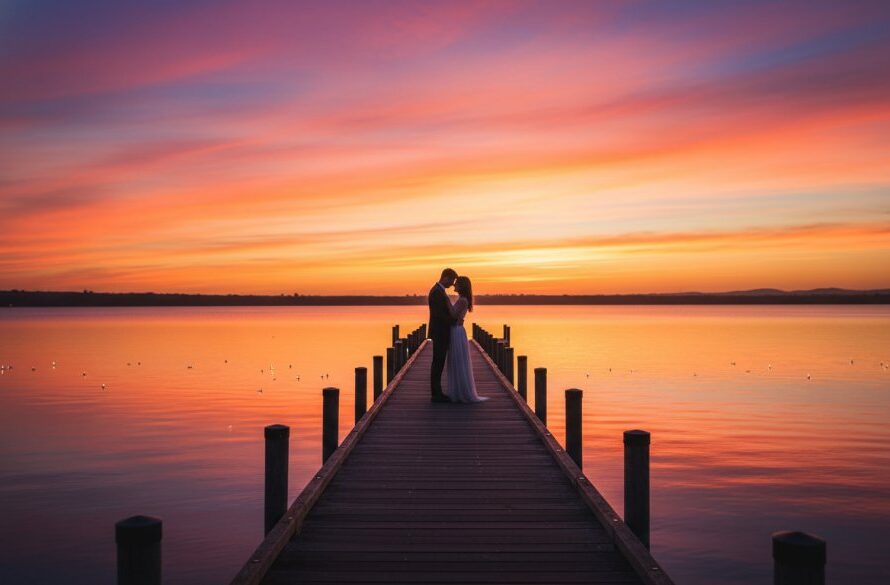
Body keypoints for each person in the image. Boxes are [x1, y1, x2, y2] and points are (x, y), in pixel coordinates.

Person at [443, 276, 487, 403]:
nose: (454, 286)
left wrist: (446, 301)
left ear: (462, 286)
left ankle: (459, 392)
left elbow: (452, 314)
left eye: (456, 284)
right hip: (458, 330)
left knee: (457, 360)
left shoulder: (462, 300)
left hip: (456, 331)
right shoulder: (462, 299)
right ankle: (457, 390)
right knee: (457, 361)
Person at [428, 268, 458, 402]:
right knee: (438, 362)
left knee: (439, 362)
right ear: (445, 277)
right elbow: (439, 314)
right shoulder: (436, 292)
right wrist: (454, 321)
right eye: (451, 281)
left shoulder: (438, 291)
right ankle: (436, 394)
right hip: (440, 332)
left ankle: (437, 392)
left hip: (440, 331)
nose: (452, 285)